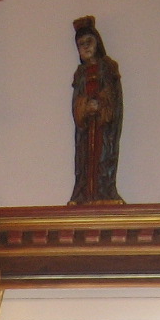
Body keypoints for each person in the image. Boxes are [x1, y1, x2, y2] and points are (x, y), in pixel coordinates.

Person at [68, 15, 123, 205]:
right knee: (85, 160)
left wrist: (101, 104)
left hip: (103, 127)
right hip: (86, 128)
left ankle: (104, 192)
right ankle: (83, 194)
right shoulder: (80, 74)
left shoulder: (108, 67)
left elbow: (113, 97)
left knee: (103, 156)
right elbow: (76, 102)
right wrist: (84, 106)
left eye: (88, 42)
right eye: (80, 44)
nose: (85, 47)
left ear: (97, 42)